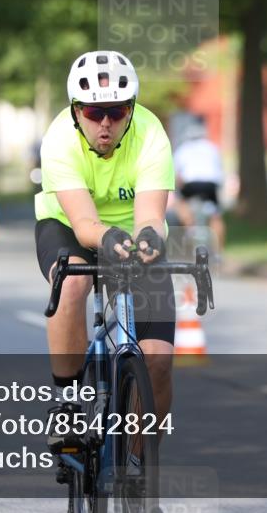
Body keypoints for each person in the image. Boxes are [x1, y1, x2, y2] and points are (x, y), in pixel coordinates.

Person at [34, 50, 175, 452]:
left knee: (159, 361)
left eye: (116, 111)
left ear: (131, 109)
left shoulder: (151, 133)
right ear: (76, 111)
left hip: (132, 232)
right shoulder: (59, 139)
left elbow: (150, 216)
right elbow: (84, 225)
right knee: (73, 284)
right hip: (69, 226)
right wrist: (107, 238)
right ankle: (66, 402)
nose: (106, 124)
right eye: (95, 113)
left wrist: (149, 240)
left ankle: (140, 476)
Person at [172, 118, 226, 251]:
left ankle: (190, 226)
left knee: (179, 203)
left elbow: (176, 175)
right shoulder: (212, 147)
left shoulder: (183, 149)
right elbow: (219, 170)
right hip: (210, 185)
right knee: (216, 216)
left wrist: (178, 190)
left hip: (191, 185)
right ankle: (219, 251)